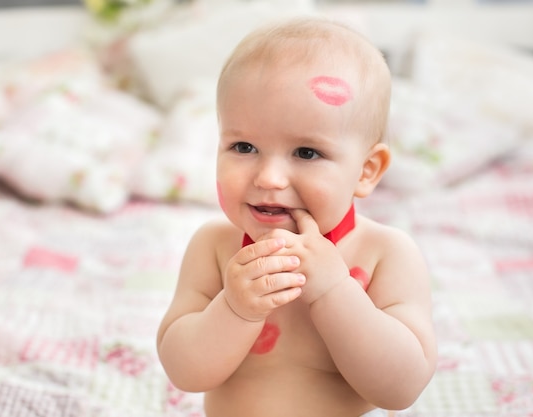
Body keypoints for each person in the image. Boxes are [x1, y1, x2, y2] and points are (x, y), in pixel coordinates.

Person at [156, 16, 437, 417]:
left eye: (306, 153)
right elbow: (184, 371)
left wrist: (334, 291)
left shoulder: (386, 254)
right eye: (244, 146)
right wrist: (236, 309)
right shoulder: (216, 248)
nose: (268, 178)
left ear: (366, 170)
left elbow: (401, 388)